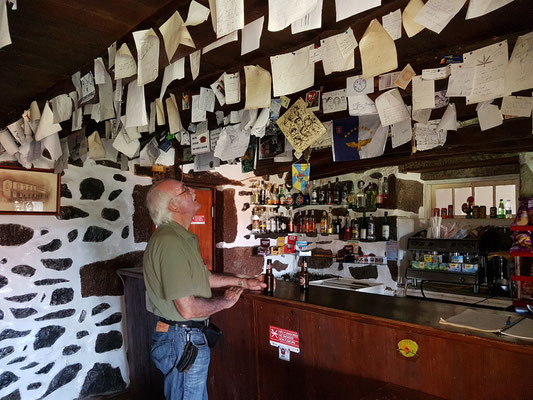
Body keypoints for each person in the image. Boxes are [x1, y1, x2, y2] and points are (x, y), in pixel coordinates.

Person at [143, 179, 266, 400]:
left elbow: (205, 278)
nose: (191, 190)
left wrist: (244, 283)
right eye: (184, 190)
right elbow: (188, 309)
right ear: (173, 206)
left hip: (182, 337)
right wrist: (225, 302)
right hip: (183, 339)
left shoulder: (179, 237)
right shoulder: (170, 241)